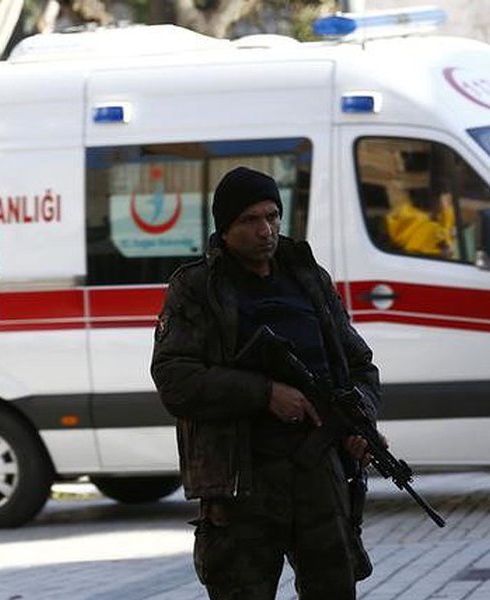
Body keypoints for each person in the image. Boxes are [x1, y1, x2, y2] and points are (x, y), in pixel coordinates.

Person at [151, 166, 382, 599]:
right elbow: (174, 379)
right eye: (250, 220)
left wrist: (359, 419)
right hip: (244, 478)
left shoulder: (308, 278)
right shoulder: (199, 288)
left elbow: (360, 366)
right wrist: (265, 395)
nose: (266, 230)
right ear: (225, 227)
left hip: (318, 473)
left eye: (273, 216)